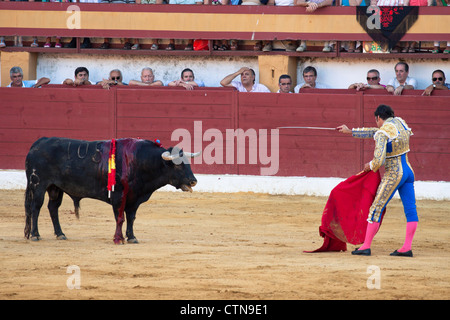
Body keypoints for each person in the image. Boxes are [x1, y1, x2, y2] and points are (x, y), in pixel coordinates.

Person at [337, 104, 419, 257]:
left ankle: (366, 246)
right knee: (410, 209)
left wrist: (370, 166)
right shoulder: (400, 122)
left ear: (379, 118)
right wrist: (351, 131)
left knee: (376, 208)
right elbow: (377, 132)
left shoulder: (383, 132)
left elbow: (379, 159)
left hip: (394, 173)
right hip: (408, 170)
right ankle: (407, 247)